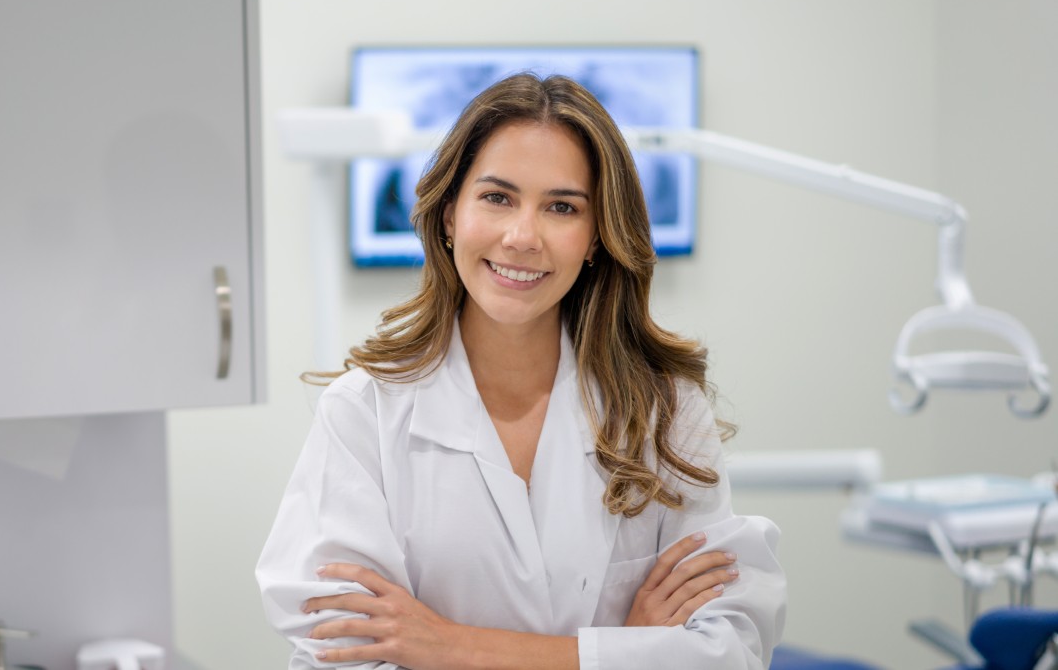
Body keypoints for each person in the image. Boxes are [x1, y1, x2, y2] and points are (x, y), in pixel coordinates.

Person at [257, 73, 786, 669]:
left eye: (562, 207)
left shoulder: (665, 408)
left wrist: (449, 646)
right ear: (451, 213)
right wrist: (623, 653)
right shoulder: (364, 414)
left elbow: (729, 651)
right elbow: (346, 654)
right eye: (497, 197)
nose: (522, 237)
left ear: (595, 237)